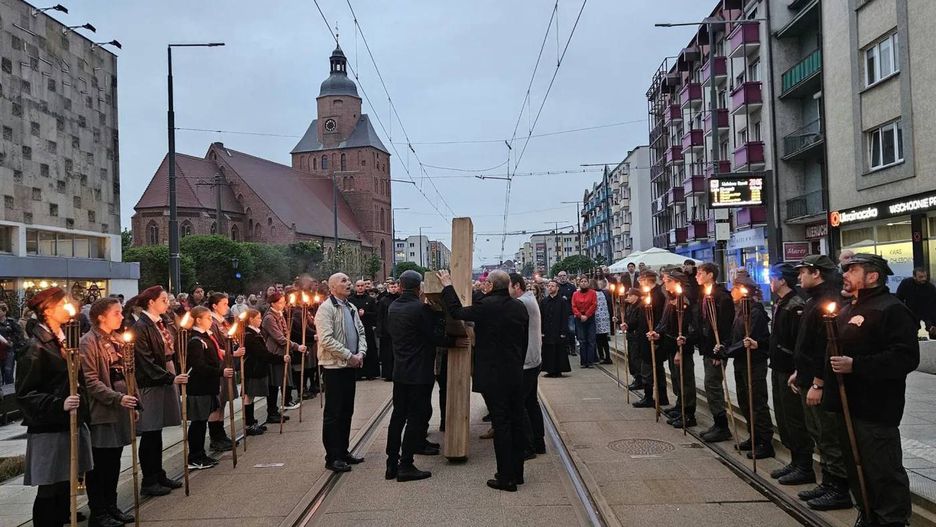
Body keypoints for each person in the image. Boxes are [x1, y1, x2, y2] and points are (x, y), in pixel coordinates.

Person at [830, 253, 919, 527]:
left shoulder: (890, 309)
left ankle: (891, 520)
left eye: (852, 270)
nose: (845, 274)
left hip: (876, 408)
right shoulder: (847, 309)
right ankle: (868, 514)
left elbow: (904, 357)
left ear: (872, 276)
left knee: (883, 471)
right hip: (849, 407)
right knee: (858, 469)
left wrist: (856, 365)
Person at [438, 269, 529, 492]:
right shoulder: (519, 307)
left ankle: (505, 477)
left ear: (489, 285)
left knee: (502, 423)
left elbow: (457, 311)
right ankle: (517, 473)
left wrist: (448, 285)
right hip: (515, 372)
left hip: (494, 375)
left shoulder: (486, 307)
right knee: (516, 420)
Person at [16, 288, 94, 526]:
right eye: (63, 303)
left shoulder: (65, 339)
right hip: (50, 427)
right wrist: (58, 404)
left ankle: (63, 518)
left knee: (64, 484)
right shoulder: (36, 347)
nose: (68, 307)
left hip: (70, 422)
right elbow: (25, 394)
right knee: (49, 488)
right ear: (48, 310)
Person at [792, 255, 853, 510]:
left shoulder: (829, 301)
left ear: (816, 273)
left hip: (822, 382)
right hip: (808, 376)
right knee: (817, 432)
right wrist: (800, 372)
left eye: (803, 272)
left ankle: (839, 488)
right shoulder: (814, 300)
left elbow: (826, 347)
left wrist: (818, 382)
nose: (799, 277)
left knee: (828, 435)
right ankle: (828, 482)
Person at [385, 270, 457, 482]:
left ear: (400, 285)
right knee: (416, 417)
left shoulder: (393, 307)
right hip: (419, 372)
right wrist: (454, 342)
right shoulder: (420, 309)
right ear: (419, 288)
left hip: (400, 372)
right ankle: (406, 464)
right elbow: (434, 336)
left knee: (398, 417)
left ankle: (391, 464)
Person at [80, 297, 138, 527]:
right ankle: (99, 511)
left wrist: (134, 402)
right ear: (101, 317)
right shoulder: (88, 342)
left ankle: (112, 506)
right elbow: (91, 381)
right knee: (100, 464)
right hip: (103, 411)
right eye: (116, 313)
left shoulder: (116, 339)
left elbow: (129, 374)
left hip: (121, 407)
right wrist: (118, 397)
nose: (121, 316)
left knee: (114, 461)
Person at [132, 285, 187, 496]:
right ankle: (149, 478)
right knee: (150, 431)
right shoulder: (141, 327)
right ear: (151, 303)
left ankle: (158, 472)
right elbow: (145, 361)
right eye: (163, 300)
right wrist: (169, 377)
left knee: (158, 431)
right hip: (152, 381)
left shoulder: (160, 323)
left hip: (165, 375)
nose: (167, 303)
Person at [765, 263, 813, 486]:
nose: (770, 282)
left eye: (772, 277)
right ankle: (794, 460)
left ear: (782, 280)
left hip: (789, 370)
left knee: (794, 418)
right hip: (778, 366)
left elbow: (799, 343)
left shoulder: (796, 305)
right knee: (783, 417)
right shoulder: (781, 303)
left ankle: (804, 465)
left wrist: (797, 369)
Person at [315, 272, 367, 473]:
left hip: (350, 365)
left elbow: (361, 332)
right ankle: (333, 456)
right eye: (343, 281)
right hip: (334, 366)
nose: (349, 283)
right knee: (334, 413)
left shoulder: (351, 307)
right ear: (332, 287)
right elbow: (326, 339)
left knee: (347, 411)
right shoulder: (326, 309)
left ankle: (343, 451)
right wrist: (348, 355)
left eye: (348, 280)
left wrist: (361, 353)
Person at [724, 276, 773, 459]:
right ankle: (754, 436)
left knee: (756, 401)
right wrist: (725, 345)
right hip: (741, 361)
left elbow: (748, 338)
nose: (732, 291)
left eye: (735, 288)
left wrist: (729, 351)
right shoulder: (740, 310)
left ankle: (764, 442)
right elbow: (735, 335)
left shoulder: (755, 311)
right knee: (744, 400)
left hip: (754, 361)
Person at [185, 306, 231, 471]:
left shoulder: (206, 337)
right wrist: (220, 371)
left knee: (202, 421)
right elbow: (199, 366)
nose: (211, 321)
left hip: (208, 385)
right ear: (198, 320)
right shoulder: (196, 340)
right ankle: (195, 456)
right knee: (198, 423)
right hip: (199, 387)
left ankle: (200, 454)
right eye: (208, 318)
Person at [650, 270, 697, 428]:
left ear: (676, 282)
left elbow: (685, 327)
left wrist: (679, 350)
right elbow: (665, 322)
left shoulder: (684, 301)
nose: (664, 283)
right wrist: (657, 333)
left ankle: (688, 413)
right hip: (670, 344)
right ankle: (680, 405)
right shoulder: (670, 299)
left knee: (685, 380)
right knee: (677, 379)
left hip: (682, 347)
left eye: (667, 281)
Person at [696, 262, 734, 442]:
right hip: (707, 346)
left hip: (716, 348)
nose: (697, 276)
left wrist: (721, 351)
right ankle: (717, 422)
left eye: (701, 273)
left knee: (713, 384)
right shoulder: (704, 295)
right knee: (710, 385)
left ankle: (722, 425)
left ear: (710, 275)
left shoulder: (722, 297)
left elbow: (726, 326)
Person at [510, 273, 545, 457]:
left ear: (516, 286)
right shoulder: (528, 299)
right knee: (531, 402)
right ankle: (539, 442)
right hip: (534, 358)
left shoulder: (521, 303)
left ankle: (527, 446)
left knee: (519, 404)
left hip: (527, 361)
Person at [261, 292, 303, 425]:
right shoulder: (269, 318)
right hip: (275, 353)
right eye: (281, 302)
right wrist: (296, 346)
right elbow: (279, 337)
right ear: (273, 303)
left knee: (280, 382)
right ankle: (271, 412)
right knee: (273, 384)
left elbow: (286, 333)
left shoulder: (280, 314)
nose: (283, 304)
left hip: (283, 352)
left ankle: (275, 410)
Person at [206, 293, 241, 452]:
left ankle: (221, 433)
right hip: (220, 365)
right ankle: (215, 436)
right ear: (214, 305)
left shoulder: (223, 321)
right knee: (218, 402)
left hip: (227, 363)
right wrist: (231, 353)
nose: (227, 307)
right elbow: (215, 346)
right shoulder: (212, 323)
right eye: (224, 304)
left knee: (225, 400)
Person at [634, 270, 668, 409]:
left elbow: (659, 317)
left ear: (648, 280)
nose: (639, 283)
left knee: (650, 368)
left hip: (653, 337)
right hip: (645, 335)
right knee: (654, 367)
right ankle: (661, 397)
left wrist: (657, 336)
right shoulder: (647, 294)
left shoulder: (658, 295)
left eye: (641, 280)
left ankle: (650, 397)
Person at [242, 308, 277, 435]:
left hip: (257, 368)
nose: (260, 320)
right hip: (252, 369)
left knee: (251, 396)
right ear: (251, 319)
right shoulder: (249, 336)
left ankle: (252, 421)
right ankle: (249, 424)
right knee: (249, 396)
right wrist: (278, 359)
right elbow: (261, 353)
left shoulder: (256, 333)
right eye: (258, 318)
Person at [539, 280, 572, 378]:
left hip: (558, 330)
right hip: (547, 330)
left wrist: (563, 331)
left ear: (557, 288)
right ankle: (550, 370)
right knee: (549, 350)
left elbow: (565, 317)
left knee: (559, 350)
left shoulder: (562, 301)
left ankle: (558, 370)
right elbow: (541, 317)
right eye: (548, 286)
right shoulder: (544, 301)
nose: (550, 288)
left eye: (552, 286)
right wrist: (541, 331)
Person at [350, 279, 380, 380]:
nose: (360, 288)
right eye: (358, 286)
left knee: (369, 349)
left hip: (367, 328)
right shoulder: (350, 300)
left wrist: (365, 314)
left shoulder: (370, 300)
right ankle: (357, 373)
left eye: (362, 286)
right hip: (354, 329)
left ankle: (370, 373)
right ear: (355, 287)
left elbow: (376, 314)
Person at [896, 267, 936, 333]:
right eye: (921, 277)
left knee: (932, 332)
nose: (924, 279)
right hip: (910, 312)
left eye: (925, 276)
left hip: (926, 313)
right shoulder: (906, 283)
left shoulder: (930, 287)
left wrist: (934, 323)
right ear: (914, 277)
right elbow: (899, 299)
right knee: (911, 333)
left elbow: (933, 305)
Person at [571, 277, 598, 368]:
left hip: (590, 317)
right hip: (579, 318)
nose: (583, 283)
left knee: (591, 340)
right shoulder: (575, 294)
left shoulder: (593, 293)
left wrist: (587, 315)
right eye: (581, 281)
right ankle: (583, 361)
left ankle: (590, 361)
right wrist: (580, 315)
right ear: (579, 283)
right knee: (582, 340)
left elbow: (594, 304)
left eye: (585, 281)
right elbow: (574, 306)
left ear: (588, 283)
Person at [376, 280, 400, 381]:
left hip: (398, 330)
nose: (393, 289)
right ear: (388, 288)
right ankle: (387, 374)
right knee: (387, 354)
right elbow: (380, 316)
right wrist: (380, 330)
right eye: (392, 287)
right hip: (386, 331)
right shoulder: (383, 300)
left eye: (395, 287)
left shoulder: (400, 299)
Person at [621, 288, 644, 390]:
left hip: (636, 336)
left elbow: (636, 321)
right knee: (632, 358)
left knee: (636, 358)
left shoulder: (639, 307)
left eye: (630, 295)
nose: (628, 297)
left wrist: (628, 325)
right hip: (631, 336)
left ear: (636, 296)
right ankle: (636, 377)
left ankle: (639, 379)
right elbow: (626, 318)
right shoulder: (630, 306)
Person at [0, 301, 25, 385]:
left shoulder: (11, 322)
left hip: (8, 350)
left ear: (4, 311)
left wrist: (12, 342)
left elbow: (19, 334)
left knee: (8, 372)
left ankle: (9, 394)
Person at [555, 271, 577, 356]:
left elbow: (575, 298)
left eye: (564, 276)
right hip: (559, 313)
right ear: (558, 277)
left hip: (570, 313)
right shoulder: (556, 287)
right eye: (560, 276)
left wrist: (567, 298)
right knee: (562, 332)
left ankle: (573, 348)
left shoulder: (572, 287)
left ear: (567, 276)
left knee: (571, 331)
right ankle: (565, 348)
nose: (562, 277)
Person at [594, 279, 614, 366]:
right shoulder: (593, 293)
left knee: (604, 339)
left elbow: (610, 303)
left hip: (604, 318)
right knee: (598, 339)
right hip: (596, 319)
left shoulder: (606, 292)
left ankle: (607, 357)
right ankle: (601, 356)